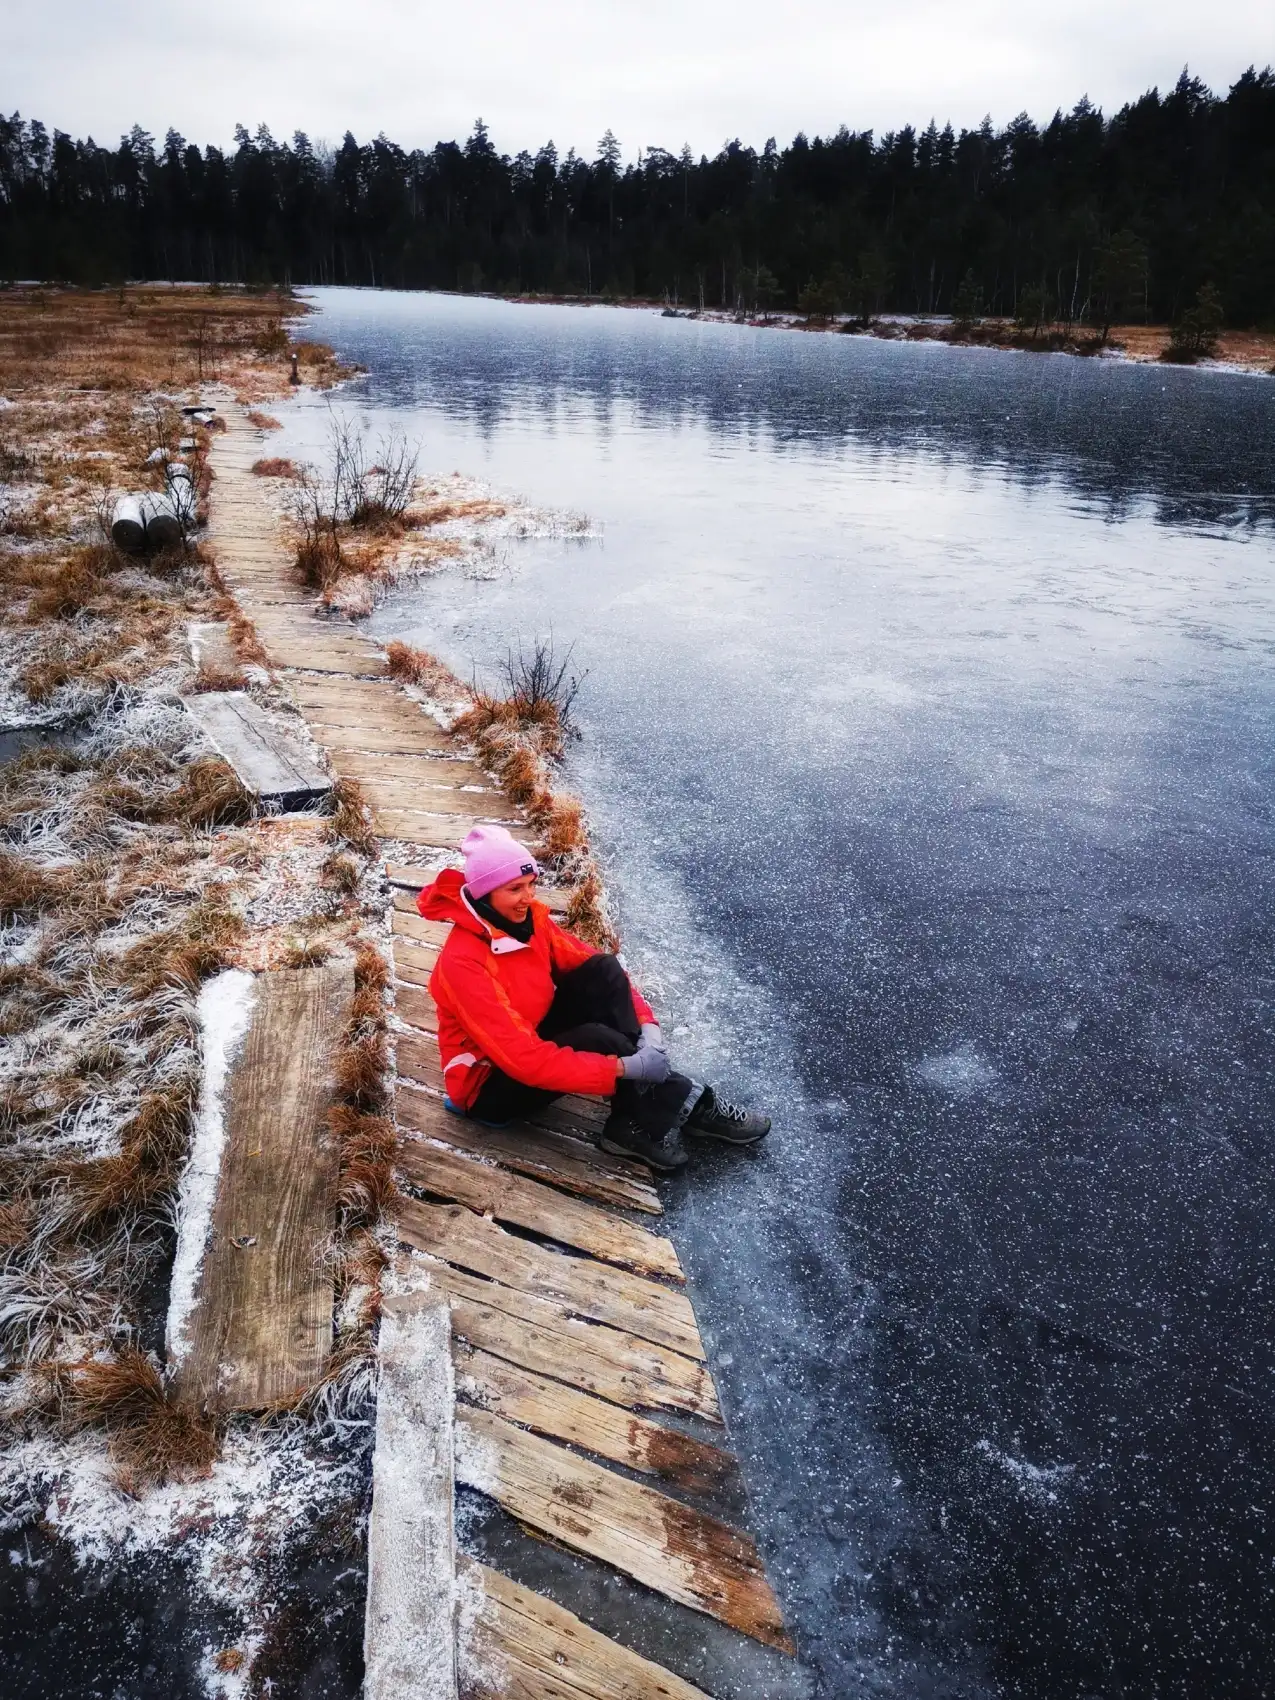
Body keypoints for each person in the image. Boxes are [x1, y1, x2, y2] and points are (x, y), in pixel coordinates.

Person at [418, 824, 770, 1171]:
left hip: (531, 1034)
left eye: (531, 884)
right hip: (490, 1087)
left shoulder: (529, 923)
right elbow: (523, 1059)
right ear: (485, 894)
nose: (529, 898)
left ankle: (634, 1118)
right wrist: (623, 1066)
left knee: (603, 969)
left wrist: (649, 1028)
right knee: (597, 1040)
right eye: (515, 889)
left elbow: (592, 964)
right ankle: (688, 1102)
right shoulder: (463, 964)